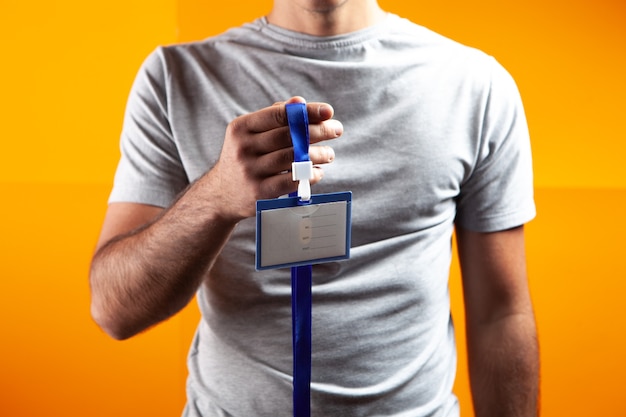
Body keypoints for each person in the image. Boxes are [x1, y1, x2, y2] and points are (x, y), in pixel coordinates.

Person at [89, 0, 540, 416]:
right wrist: (215, 199)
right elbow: (115, 310)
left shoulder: (475, 86)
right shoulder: (175, 79)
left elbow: (501, 315)